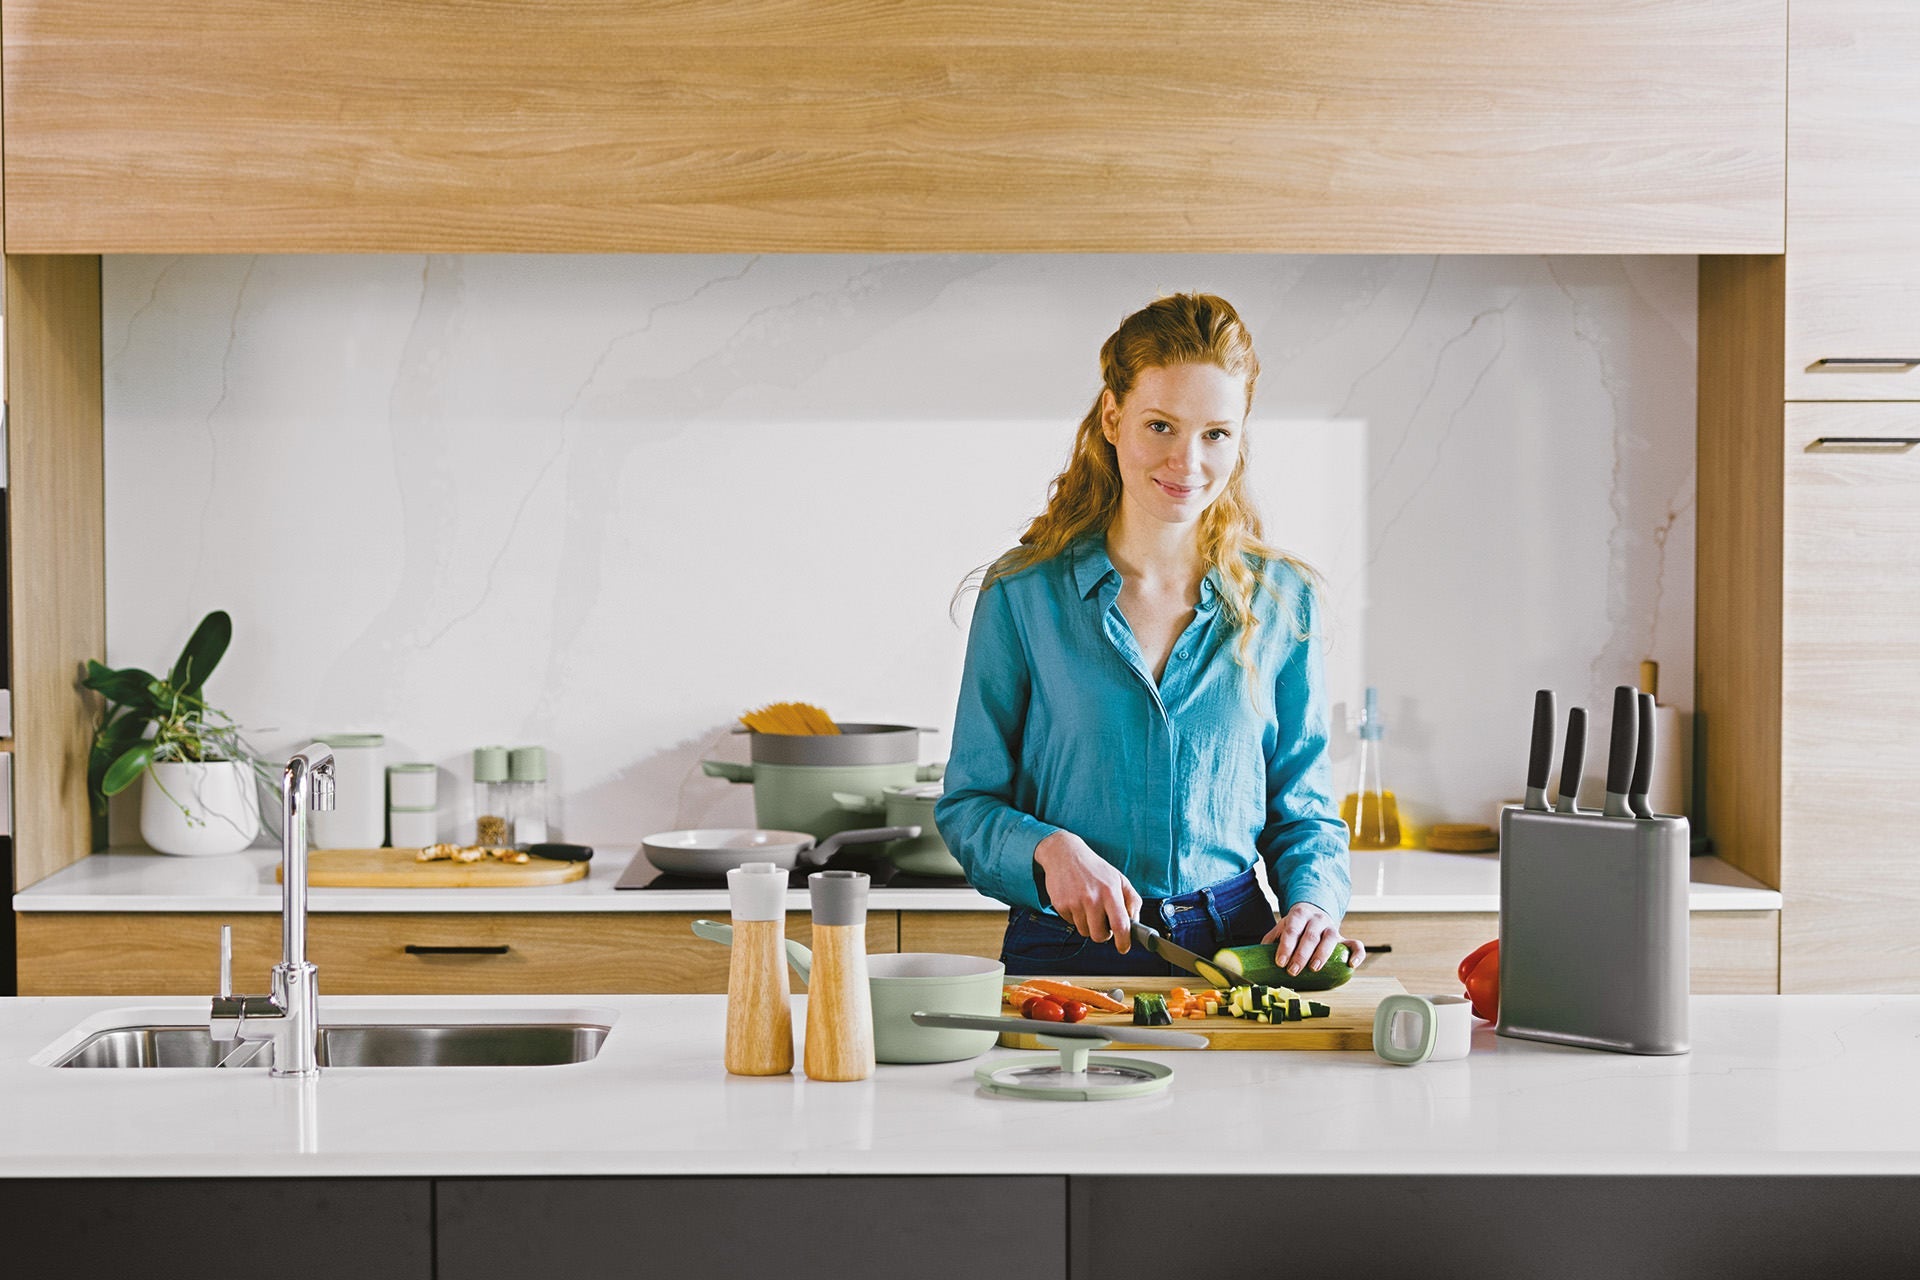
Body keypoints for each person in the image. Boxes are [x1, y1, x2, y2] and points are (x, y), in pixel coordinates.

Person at [934, 292, 1362, 979]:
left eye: (1216, 433)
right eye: (1160, 425)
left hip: (1238, 948)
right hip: (1065, 948)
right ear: (1112, 417)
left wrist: (1314, 904)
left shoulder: (1284, 603)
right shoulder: (1022, 596)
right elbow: (967, 806)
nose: (1187, 462)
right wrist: (1046, 850)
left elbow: (1303, 810)